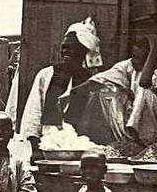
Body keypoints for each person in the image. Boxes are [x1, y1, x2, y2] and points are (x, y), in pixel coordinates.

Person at [18, 18, 101, 161]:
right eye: (64, 47)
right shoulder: (47, 75)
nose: (65, 51)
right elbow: (34, 112)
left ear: (82, 52)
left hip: (80, 149)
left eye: (71, 47)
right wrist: (35, 148)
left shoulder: (91, 80)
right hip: (48, 147)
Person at [62, 34, 157, 147]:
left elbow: (144, 82)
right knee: (104, 92)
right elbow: (99, 80)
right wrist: (70, 94)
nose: (134, 59)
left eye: (139, 55)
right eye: (133, 54)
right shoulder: (128, 65)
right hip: (132, 119)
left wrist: (154, 46)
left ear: (151, 56)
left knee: (146, 93)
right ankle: (125, 139)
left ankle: (147, 140)